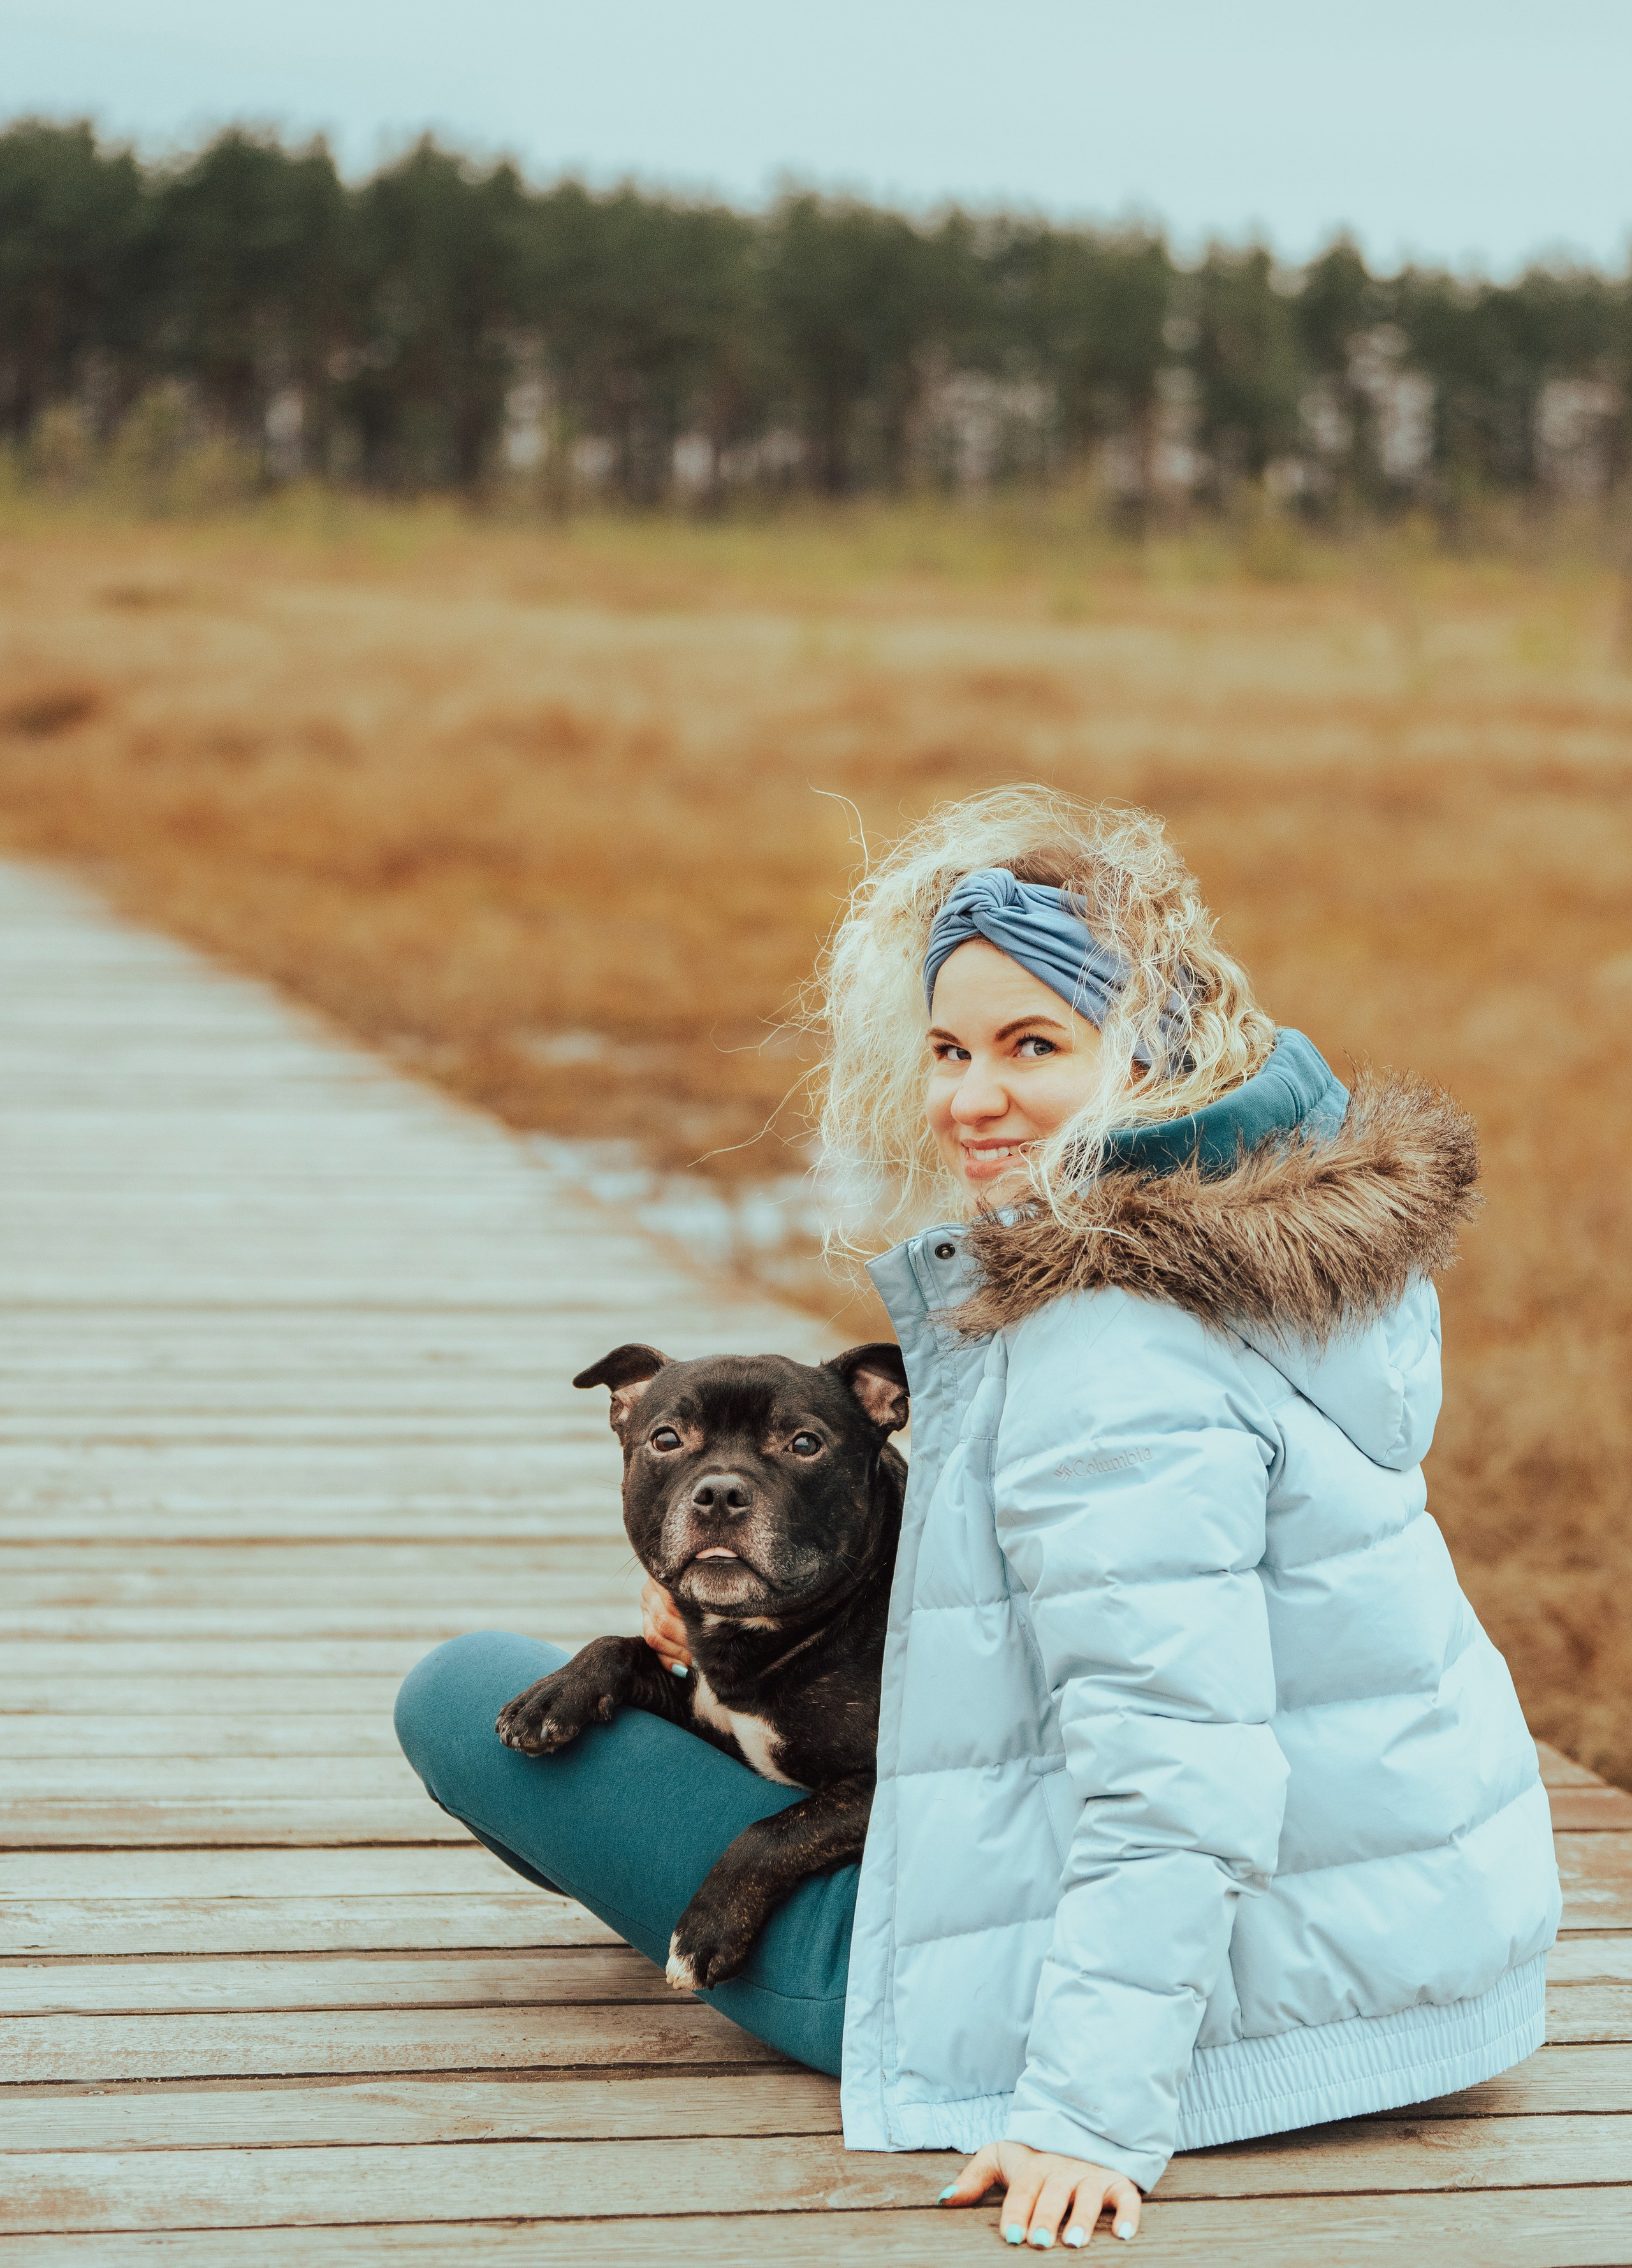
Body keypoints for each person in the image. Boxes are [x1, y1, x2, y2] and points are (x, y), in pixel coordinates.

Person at [396, 785, 1560, 2250]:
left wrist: (1086, 2115)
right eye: (947, 1050)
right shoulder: (1278, 1285)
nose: (966, 1098)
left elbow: (1174, 1765)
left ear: (1148, 1062)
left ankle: (760, 1925)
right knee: (581, 1692)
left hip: (1143, 2014)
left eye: (1030, 1048)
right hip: (1423, 1965)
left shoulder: (1107, 1356)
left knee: (456, 1698)